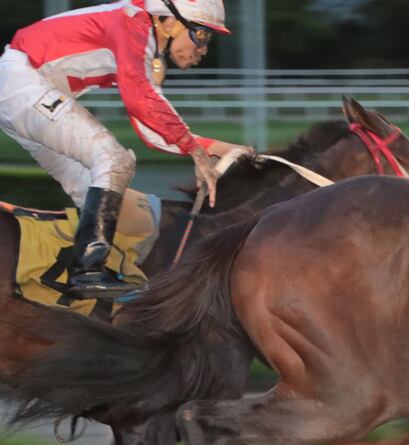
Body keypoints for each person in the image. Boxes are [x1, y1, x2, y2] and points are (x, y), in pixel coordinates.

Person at [0, 0, 251, 299]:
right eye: (201, 35)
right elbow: (140, 101)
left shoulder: (142, 41)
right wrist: (195, 152)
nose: (203, 49)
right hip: (22, 82)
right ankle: (87, 272)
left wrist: (213, 147)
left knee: (95, 186)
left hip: (27, 88)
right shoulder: (135, 25)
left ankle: (78, 281)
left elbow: (148, 128)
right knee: (113, 159)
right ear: (169, 22)